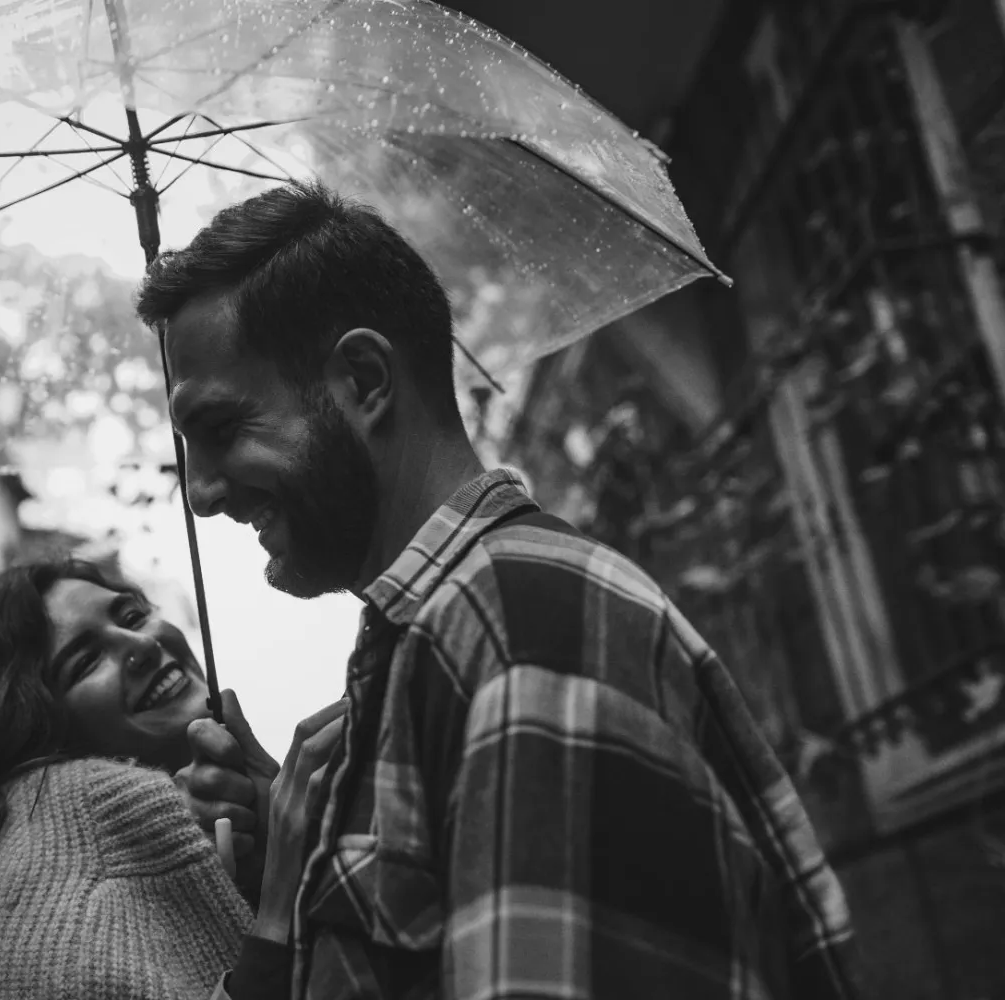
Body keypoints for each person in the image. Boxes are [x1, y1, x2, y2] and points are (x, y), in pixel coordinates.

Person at [138, 181, 862, 1000]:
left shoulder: (521, 629)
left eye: (224, 429)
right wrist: (300, 868)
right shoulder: (442, 643)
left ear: (365, 380)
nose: (200, 492)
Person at [0, 558, 250, 1000]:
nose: (140, 645)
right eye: (86, 661)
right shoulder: (75, 816)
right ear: (33, 726)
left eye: (133, 616)